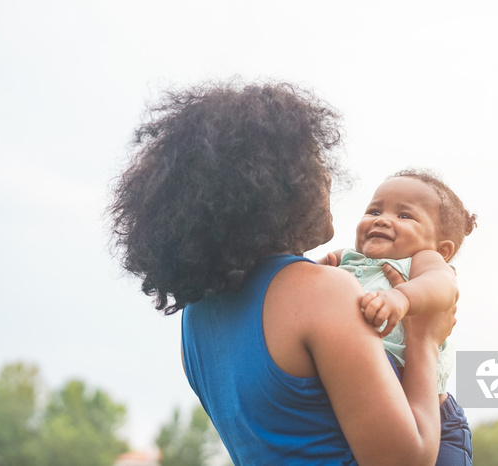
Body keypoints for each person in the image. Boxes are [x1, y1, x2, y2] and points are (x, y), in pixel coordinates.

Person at [108, 80, 457, 465]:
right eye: (314, 162)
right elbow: (405, 461)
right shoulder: (323, 292)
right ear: (275, 184)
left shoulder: (194, 323)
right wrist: (425, 338)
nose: (327, 176)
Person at [320, 169, 477, 465]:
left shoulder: (422, 260)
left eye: (404, 216)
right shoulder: (349, 258)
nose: (382, 219)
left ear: (441, 249)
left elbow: (445, 288)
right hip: (372, 399)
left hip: (437, 423)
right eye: (374, 210)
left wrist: (402, 297)